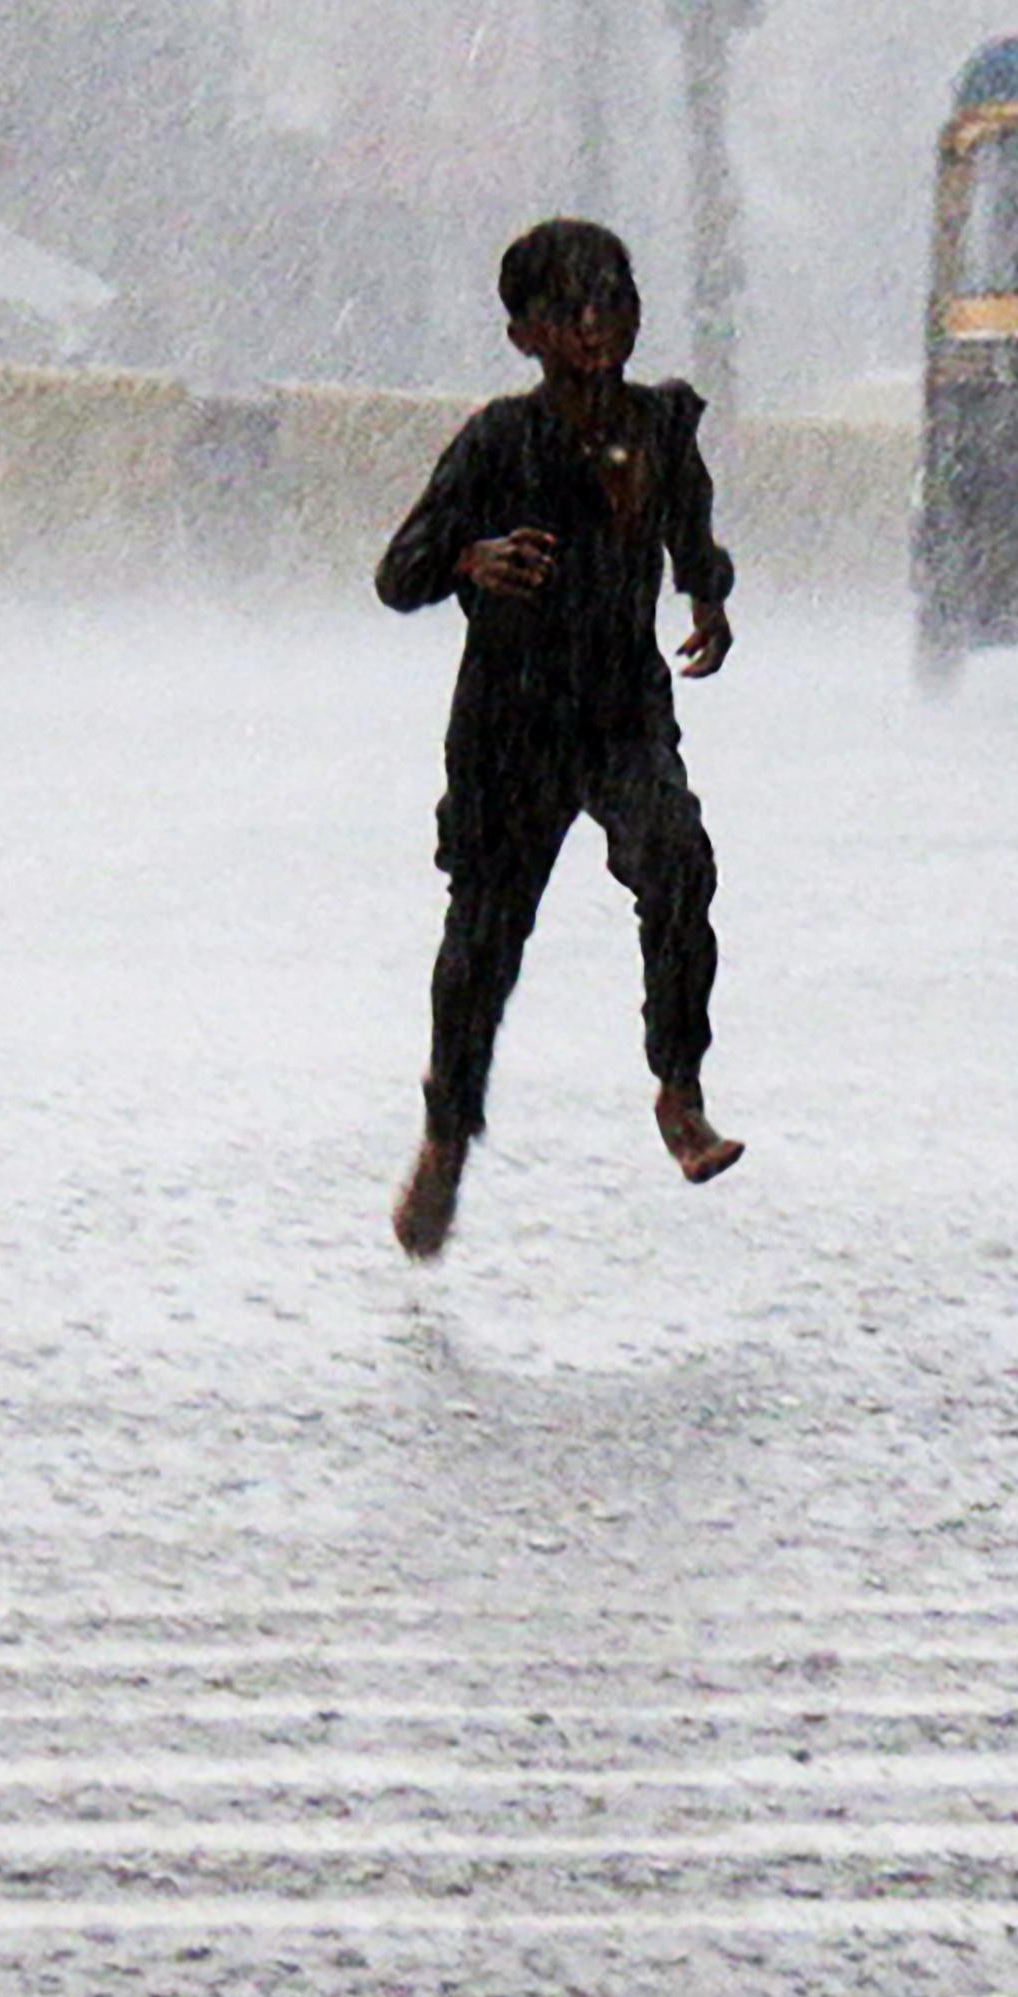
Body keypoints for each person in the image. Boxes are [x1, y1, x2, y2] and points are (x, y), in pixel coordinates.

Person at [376, 218, 746, 1262]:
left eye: (613, 300)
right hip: (511, 720)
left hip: (621, 709)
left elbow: (690, 525)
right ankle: (447, 1134)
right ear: (524, 334)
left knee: (677, 863)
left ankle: (679, 1089)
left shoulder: (661, 427)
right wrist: (471, 558)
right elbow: (399, 572)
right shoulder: (498, 442)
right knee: (484, 937)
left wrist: (706, 598)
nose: (597, 324)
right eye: (570, 308)